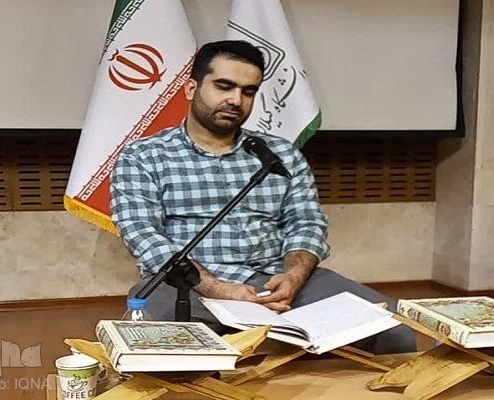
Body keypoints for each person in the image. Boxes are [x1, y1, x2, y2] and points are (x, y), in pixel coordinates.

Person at [110, 40, 415, 354]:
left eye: (248, 91)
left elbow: (306, 222)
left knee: (395, 329)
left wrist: (294, 276)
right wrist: (219, 288)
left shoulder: (279, 154)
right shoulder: (143, 156)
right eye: (224, 86)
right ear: (191, 89)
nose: (235, 100)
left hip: (277, 283)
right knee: (154, 346)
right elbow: (143, 236)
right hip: (188, 286)